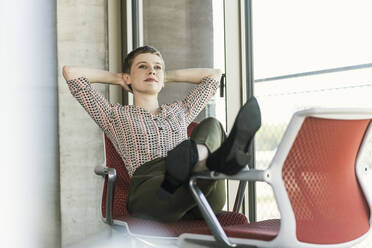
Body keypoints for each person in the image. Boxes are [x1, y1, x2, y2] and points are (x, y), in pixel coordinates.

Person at [62, 45, 260, 222]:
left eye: (157, 67)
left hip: (202, 193)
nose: (152, 71)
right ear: (128, 77)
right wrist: (118, 78)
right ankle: (204, 163)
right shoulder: (114, 116)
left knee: (211, 124)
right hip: (152, 188)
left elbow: (214, 76)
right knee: (185, 173)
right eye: (142, 66)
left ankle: (199, 159)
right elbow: (71, 73)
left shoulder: (180, 111)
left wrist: (167, 76)